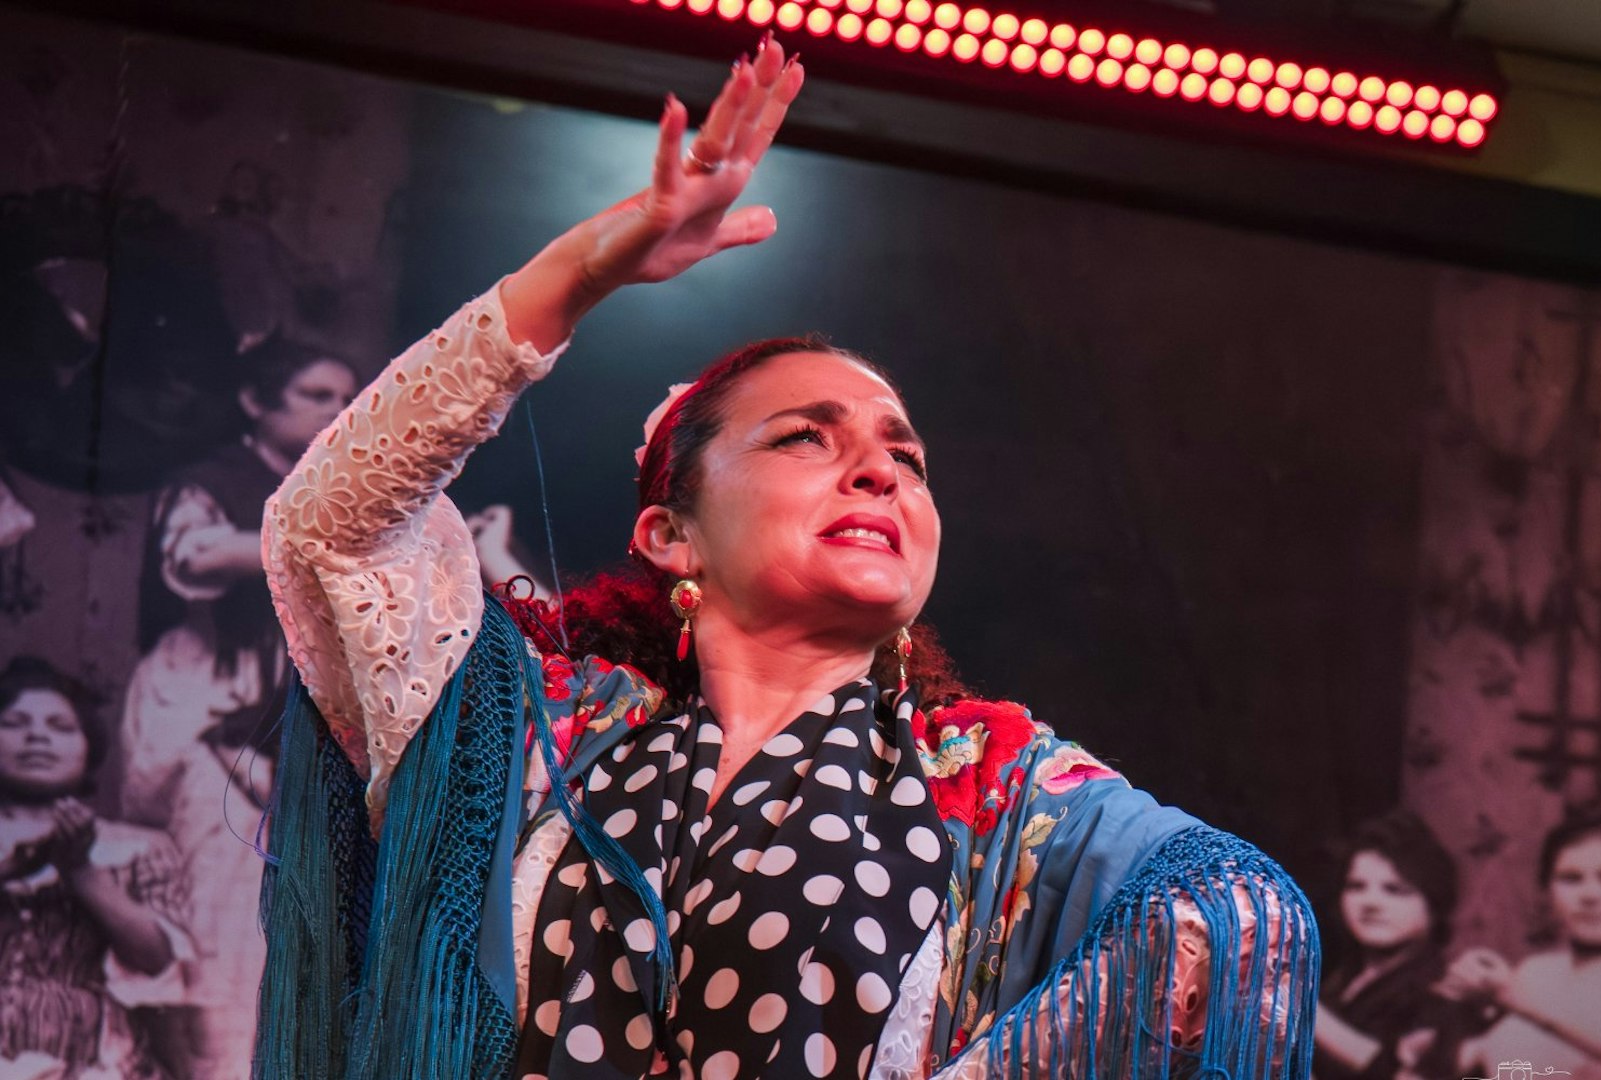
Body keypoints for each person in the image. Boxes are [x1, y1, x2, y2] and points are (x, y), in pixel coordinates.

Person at [254, 35, 1319, 1079]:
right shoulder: (537, 730)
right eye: (806, 437)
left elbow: (1238, 924)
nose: (879, 471)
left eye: (907, 456)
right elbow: (330, 530)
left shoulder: (993, 785)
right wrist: (583, 271)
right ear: (672, 535)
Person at [121, 336, 357, 1079]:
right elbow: (192, 558)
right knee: (223, 932)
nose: (340, 411)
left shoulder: (348, 489)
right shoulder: (213, 484)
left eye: (347, 396)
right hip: (210, 727)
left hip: (304, 739)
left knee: (302, 939)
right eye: (316, 395)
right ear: (256, 403)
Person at [0, 656, 191, 1080]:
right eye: (14, 723)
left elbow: (157, 961)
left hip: (101, 1066)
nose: (37, 736)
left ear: (88, 747)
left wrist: (82, 873)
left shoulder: (141, 848)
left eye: (60, 727)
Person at [1446, 808, 1601, 1080]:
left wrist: (1514, 996)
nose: (1590, 895)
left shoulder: (1517, 989)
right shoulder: (1534, 972)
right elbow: (1502, 1064)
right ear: (1548, 892)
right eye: (1570, 879)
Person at [1313, 811, 1477, 1079]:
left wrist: (1304, 1010)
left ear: (1434, 906)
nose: (1370, 903)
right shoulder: (1340, 978)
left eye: (1395, 890)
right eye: (1356, 886)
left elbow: (1394, 1071)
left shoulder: (1446, 992)